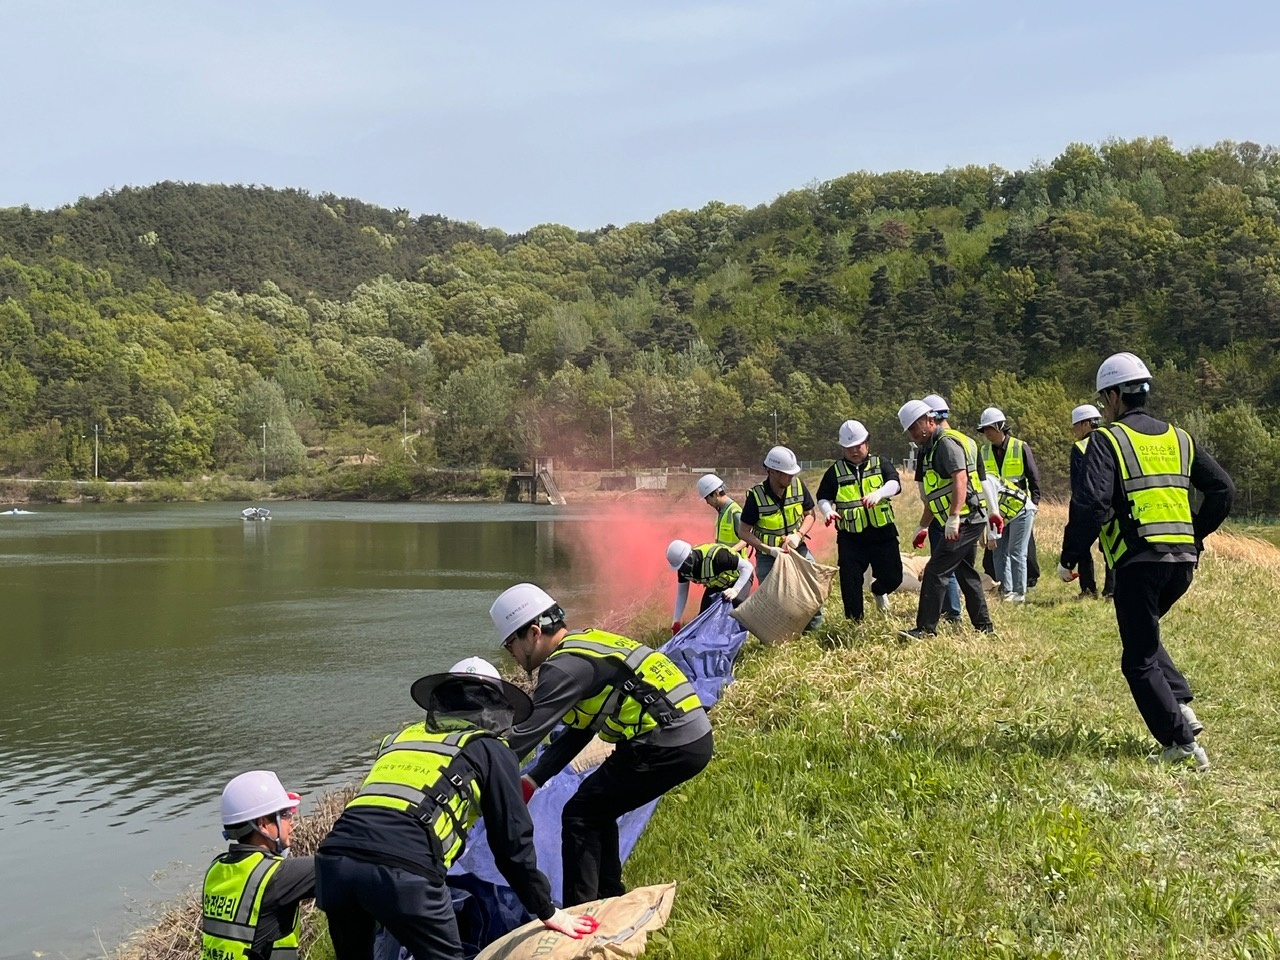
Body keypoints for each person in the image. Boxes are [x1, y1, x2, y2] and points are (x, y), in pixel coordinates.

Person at [315, 657, 596, 960]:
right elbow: (512, 843)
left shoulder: (399, 739)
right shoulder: (490, 749)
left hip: (334, 865)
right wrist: (546, 910)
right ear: (497, 708)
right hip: (405, 872)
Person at [1059, 353, 1234, 772]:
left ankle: (1182, 743)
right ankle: (1182, 706)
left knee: (1136, 660)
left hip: (1138, 561)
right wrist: (1194, 532)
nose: (1104, 408)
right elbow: (1223, 490)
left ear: (1116, 396)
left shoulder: (1108, 439)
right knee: (1146, 633)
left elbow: (1091, 503)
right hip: (1183, 562)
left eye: (1104, 401)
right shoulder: (1181, 438)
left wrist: (1070, 558)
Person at [493, 583, 713, 907]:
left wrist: (473, 770)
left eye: (510, 643)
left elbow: (525, 735)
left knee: (581, 814)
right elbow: (579, 731)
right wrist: (534, 778)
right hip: (685, 735)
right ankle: (608, 899)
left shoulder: (560, 668)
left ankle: (580, 913)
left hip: (667, 741)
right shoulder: (585, 644)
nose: (510, 653)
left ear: (534, 632)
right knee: (597, 808)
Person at [897, 400, 1000, 640]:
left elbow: (960, 480)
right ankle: (984, 627)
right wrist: (923, 525)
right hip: (961, 519)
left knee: (935, 570)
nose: (913, 433)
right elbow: (934, 494)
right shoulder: (928, 449)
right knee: (965, 572)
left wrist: (953, 517)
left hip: (966, 519)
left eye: (915, 426)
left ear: (930, 421)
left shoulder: (946, 444)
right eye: (909, 429)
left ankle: (926, 629)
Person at [202, 771, 314, 960]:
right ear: (263, 824)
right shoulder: (280, 876)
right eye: (286, 814)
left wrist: (279, 815)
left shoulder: (216, 869)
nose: (292, 821)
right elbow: (342, 864)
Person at [815, 419, 904, 621]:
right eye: (849, 448)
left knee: (893, 577)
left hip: (883, 533)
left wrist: (879, 494)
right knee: (850, 581)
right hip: (851, 537)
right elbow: (822, 497)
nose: (854, 451)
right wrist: (828, 511)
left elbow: (895, 484)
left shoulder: (881, 463)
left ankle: (878, 590)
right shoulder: (835, 472)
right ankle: (855, 622)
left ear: (867, 443)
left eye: (858, 446)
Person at [738, 445, 823, 633]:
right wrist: (769, 550)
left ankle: (814, 631)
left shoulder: (798, 486)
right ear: (773, 472)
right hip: (769, 557)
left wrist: (798, 535)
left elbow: (810, 514)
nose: (791, 478)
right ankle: (781, 637)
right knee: (773, 599)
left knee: (812, 586)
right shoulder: (756, 497)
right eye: (787, 474)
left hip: (796, 549)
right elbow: (743, 532)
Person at [977, 407, 1043, 603]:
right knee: (997, 551)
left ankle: (1019, 593)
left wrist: (1035, 503)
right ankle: (1005, 591)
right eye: (984, 429)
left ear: (1000, 427)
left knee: (1017, 552)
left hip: (1021, 508)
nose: (986, 433)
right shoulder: (983, 451)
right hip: (997, 510)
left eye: (989, 428)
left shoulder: (1020, 447)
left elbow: (1034, 479)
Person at [921, 394, 965, 623]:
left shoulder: (938, 444)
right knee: (964, 569)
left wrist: (950, 516)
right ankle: (974, 618)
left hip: (947, 515)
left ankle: (950, 614)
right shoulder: (963, 439)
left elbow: (929, 489)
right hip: (968, 514)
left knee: (941, 567)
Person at [1069, 403, 1114, 599]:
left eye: (1076, 426)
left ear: (1086, 424)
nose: (1075, 431)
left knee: (1083, 546)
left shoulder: (1079, 447)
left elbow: (1077, 482)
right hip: (1112, 503)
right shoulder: (1111, 441)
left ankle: (1088, 589)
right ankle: (1112, 590)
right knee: (1111, 547)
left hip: (1088, 505)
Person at [665, 538, 754, 634]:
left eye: (683, 566)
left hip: (740, 578)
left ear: (690, 557)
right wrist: (676, 619)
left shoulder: (718, 556)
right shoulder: (683, 569)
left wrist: (735, 590)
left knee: (737, 601)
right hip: (717, 584)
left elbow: (747, 567)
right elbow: (682, 593)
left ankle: (746, 633)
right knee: (703, 619)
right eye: (680, 567)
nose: (683, 570)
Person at [696, 473, 748, 556]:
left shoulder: (734, 512)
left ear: (716, 493)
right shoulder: (722, 511)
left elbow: (746, 539)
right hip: (725, 565)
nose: (707, 502)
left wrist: (729, 553)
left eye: (707, 498)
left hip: (736, 565)